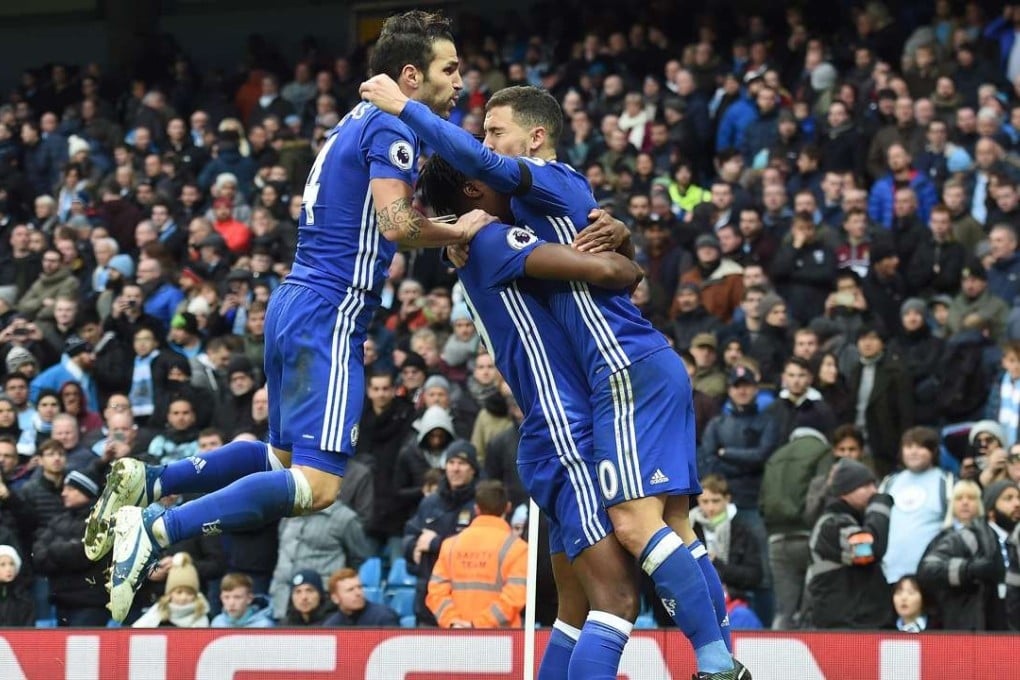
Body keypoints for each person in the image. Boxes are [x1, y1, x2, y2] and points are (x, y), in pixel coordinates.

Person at [85, 10, 495, 623]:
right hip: (330, 310)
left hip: (295, 301)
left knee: (279, 461)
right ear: (411, 75)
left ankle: (151, 479)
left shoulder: (354, 121)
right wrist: (459, 230)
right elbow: (394, 223)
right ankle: (157, 528)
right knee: (318, 486)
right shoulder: (393, 125)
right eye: (450, 68)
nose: (460, 81)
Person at [399, 98, 739, 677]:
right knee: (619, 598)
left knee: (578, 610)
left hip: (559, 426)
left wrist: (619, 230)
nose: (490, 150)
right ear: (476, 189)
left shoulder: (490, 233)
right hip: (567, 427)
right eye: (484, 147)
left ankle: (719, 658)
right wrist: (626, 254)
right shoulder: (491, 239)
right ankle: (718, 662)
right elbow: (612, 273)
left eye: (495, 134)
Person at [805, 459, 895, 629]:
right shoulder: (830, 525)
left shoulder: (858, 522)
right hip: (842, 629)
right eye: (865, 486)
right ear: (845, 491)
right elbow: (869, 549)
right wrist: (880, 507)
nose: (873, 491)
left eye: (874, 485)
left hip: (864, 625)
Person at [427, 480, 528, 628]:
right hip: (503, 637)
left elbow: (436, 592)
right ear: (508, 507)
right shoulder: (518, 548)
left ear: (476, 509)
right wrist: (477, 626)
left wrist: (453, 622)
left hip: (456, 634)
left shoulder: (450, 545)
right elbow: (514, 597)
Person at [918, 479, 1005, 630]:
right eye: (959, 498)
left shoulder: (992, 536)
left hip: (988, 614)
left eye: (971, 498)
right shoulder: (941, 538)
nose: (965, 502)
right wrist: (968, 570)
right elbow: (926, 573)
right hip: (950, 613)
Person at [33, 470, 109, 627]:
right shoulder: (58, 520)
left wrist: (53, 549)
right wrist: (66, 548)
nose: (63, 493)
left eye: (70, 489)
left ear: (86, 492)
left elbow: (82, 555)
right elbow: (38, 555)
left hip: (90, 604)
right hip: (61, 602)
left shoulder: (102, 522)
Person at [881, 427, 954, 585]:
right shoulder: (889, 483)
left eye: (920, 446)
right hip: (888, 573)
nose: (913, 452)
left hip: (929, 576)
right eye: (908, 446)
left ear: (934, 451)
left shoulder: (947, 482)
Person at [132, 552, 211, 628]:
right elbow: (138, 629)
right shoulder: (158, 610)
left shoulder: (201, 616)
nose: (184, 597)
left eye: (190, 593)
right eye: (179, 592)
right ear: (170, 594)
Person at [322, 567, 399, 627]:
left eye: (359, 587)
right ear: (335, 599)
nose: (358, 593)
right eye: (350, 590)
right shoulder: (331, 626)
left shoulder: (384, 616)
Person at [210, 572, 275, 628]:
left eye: (237, 597)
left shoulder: (264, 625)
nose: (231, 603)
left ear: (249, 599)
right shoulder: (217, 623)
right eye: (226, 597)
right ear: (221, 598)